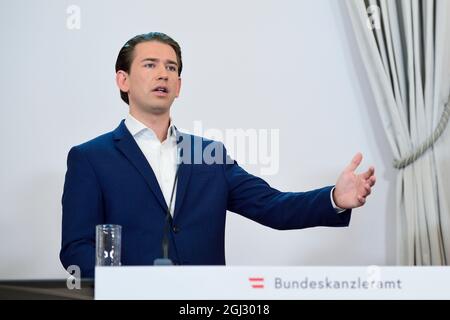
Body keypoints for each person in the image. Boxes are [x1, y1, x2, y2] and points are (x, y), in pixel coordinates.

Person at [60, 32, 376, 278]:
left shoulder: (207, 154)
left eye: (171, 68)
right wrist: (123, 288)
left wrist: (334, 197)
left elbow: (273, 207)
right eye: (150, 65)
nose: (163, 74)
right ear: (123, 80)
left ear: (179, 86)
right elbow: (76, 248)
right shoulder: (90, 158)